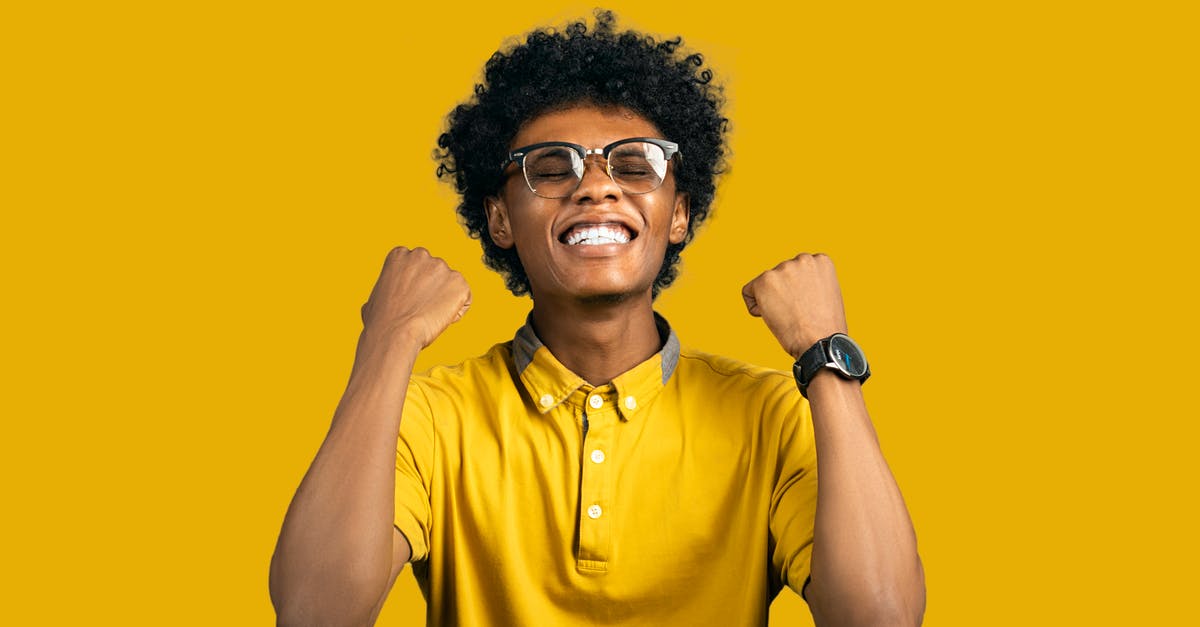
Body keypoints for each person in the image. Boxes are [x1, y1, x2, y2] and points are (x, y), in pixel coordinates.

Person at [269, 11, 924, 627]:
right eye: (552, 168)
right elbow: (314, 611)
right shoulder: (432, 416)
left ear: (678, 215)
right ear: (499, 217)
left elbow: (881, 616)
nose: (596, 186)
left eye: (636, 164)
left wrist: (825, 355)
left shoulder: (773, 412)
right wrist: (387, 339)